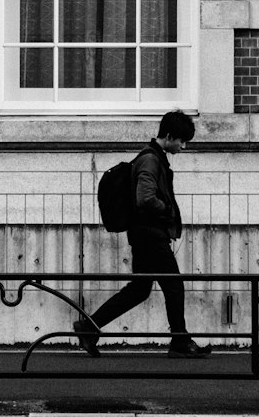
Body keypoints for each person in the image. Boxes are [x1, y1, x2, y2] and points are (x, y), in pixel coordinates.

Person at [74, 110, 211, 359]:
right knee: (173, 286)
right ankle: (180, 342)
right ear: (169, 136)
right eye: (181, 140)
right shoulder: (150, 160)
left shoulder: (154, 157)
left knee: (139, 290)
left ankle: (88, 327)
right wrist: (167, 209)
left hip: (144, 235)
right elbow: (145, 198)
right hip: (150, 236)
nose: (183, 145)